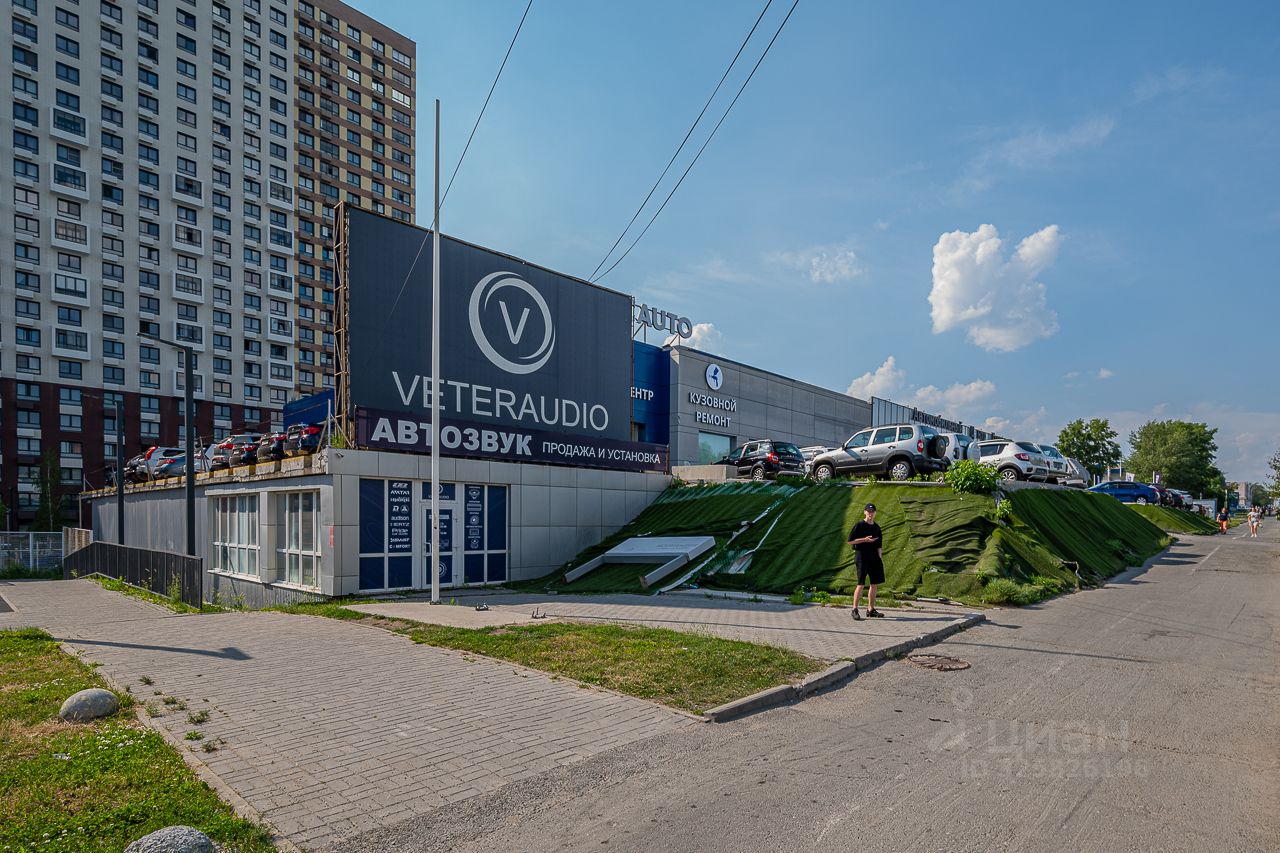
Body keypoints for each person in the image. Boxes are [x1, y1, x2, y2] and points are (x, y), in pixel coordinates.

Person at [848, 502, 885, 620]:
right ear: (865, 512)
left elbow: (879, 545)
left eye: (872, 511)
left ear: (875, 513)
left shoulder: (877, 527)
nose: (870, 513)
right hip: (862, 558)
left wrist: (880, 558)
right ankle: (854, 609)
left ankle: (871, 610)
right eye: (868, 511)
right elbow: (850, 541)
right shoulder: (859, 525)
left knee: (874, 584)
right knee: (861, 584)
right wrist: (864, 540)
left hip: (874, 558)